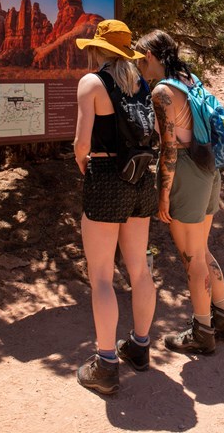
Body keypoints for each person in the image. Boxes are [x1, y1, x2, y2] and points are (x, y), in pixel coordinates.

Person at [135, 29, 224, 355]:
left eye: (139, 58)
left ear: (150, 56)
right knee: (202, 250)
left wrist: (163, 194)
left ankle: (202, 331)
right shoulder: (189, 79)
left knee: (192, 258)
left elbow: (167, 148)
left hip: (186, 172)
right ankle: (222, 317)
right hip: (208, 168)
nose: (138, 64)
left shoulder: (163, 91)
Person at [73, 20, 157, 394]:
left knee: (102, 276)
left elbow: (80, 144)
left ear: (97, 49)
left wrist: (88, 168)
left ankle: (106, 363)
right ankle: (139, 347)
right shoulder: (141, 84)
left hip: (107, 175)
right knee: (139, 270)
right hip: (141, 178)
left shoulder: (92, 83)